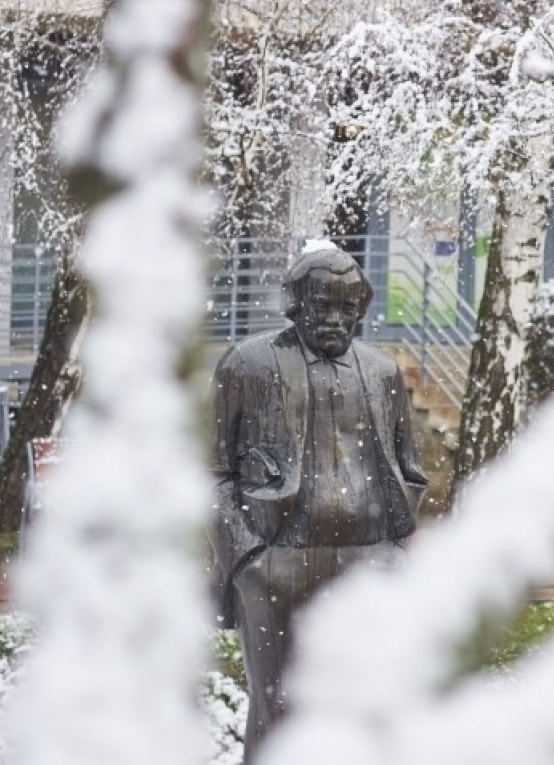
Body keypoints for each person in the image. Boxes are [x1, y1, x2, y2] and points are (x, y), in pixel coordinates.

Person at [208, 244, 428, 762]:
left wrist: (394, 549)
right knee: (279, 709)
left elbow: (408, 469)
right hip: (277, 562)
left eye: (347, 309)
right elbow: (211, 474)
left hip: (369, 562)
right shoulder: (248, 365)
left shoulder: (382, 372)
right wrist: (247, 559)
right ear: (294, 303)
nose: (334, 319)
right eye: (321, 305)